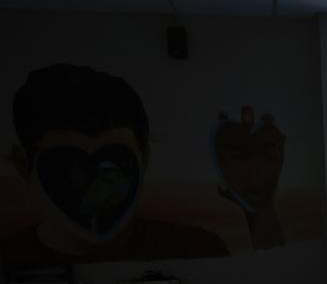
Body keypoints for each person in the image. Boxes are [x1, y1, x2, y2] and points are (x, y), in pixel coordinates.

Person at [3, 63, 228, 263]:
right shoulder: (194, 249)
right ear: (24, 165)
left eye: (115, 161)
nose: (92, 185)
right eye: (67, 167)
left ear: (145, 157)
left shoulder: (197, 249)